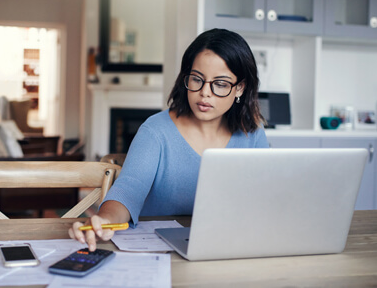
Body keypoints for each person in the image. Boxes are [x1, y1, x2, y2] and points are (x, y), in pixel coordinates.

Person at [69, 28, 269, 251]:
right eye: (197, 79)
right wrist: (105, 220)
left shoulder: (252, 133)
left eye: (220, 84)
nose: (205, 93)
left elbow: (265, 198)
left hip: (227, 247)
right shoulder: (155, 131)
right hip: (159, 251)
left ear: (240, 88)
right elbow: (128, 190)